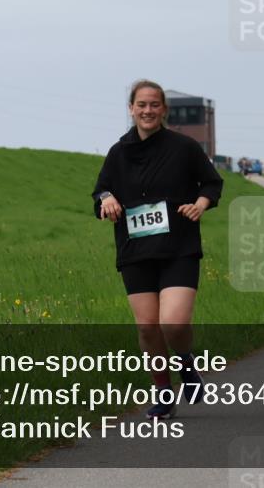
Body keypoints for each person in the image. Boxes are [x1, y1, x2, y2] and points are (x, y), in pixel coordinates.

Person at [93, 80, 224, 420]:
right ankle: (164, 393)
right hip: (136, 250)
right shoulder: (118, 152)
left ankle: (186, 364)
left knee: (174, 323)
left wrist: (200, 204)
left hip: (179, 246)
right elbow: (101, 191)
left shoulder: (184, 147)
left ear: (164, 109)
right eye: (141, 105)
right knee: (148, 328)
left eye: (154, 104)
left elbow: (212, 183)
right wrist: (106, 200)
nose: (148, 110)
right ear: (131, 109)